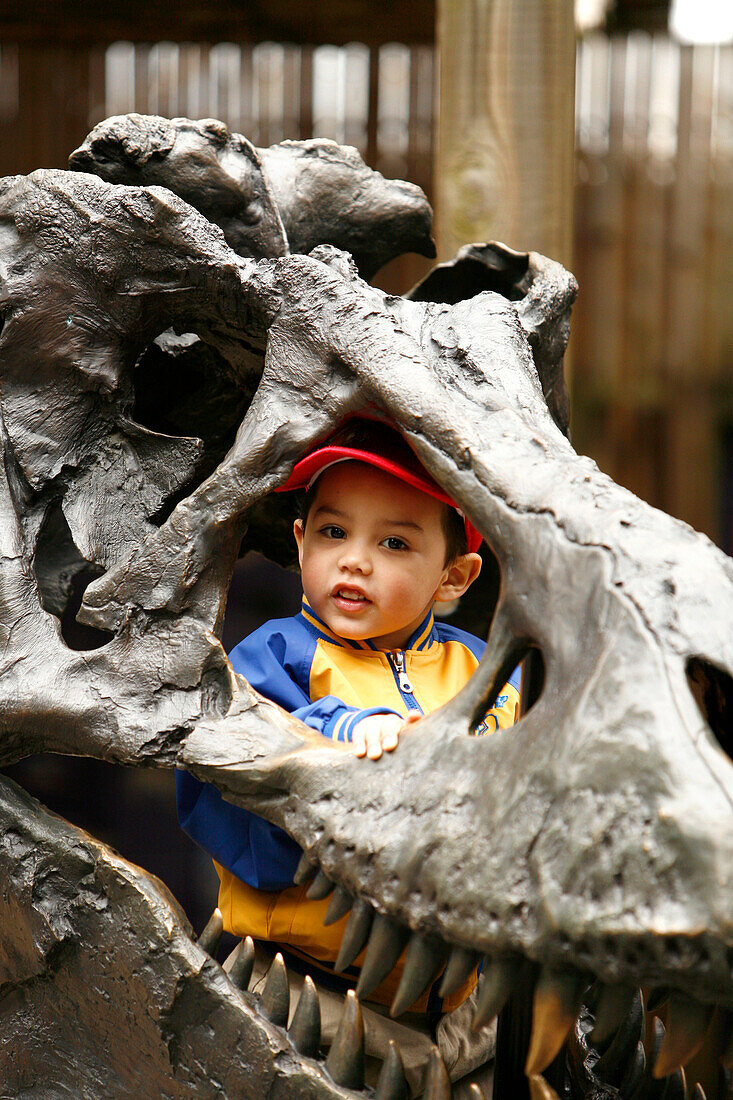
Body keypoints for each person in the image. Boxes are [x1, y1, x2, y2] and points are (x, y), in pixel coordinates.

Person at [177, 419, 521, 1092]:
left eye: (393, 542)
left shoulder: (481, 669)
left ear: (453, 577)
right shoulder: (272, 656)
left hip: (457, 1004)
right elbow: (226, 759)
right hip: (306, 993)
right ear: (300, 540)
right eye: (334, 533)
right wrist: (338, 725)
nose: (355, 560)